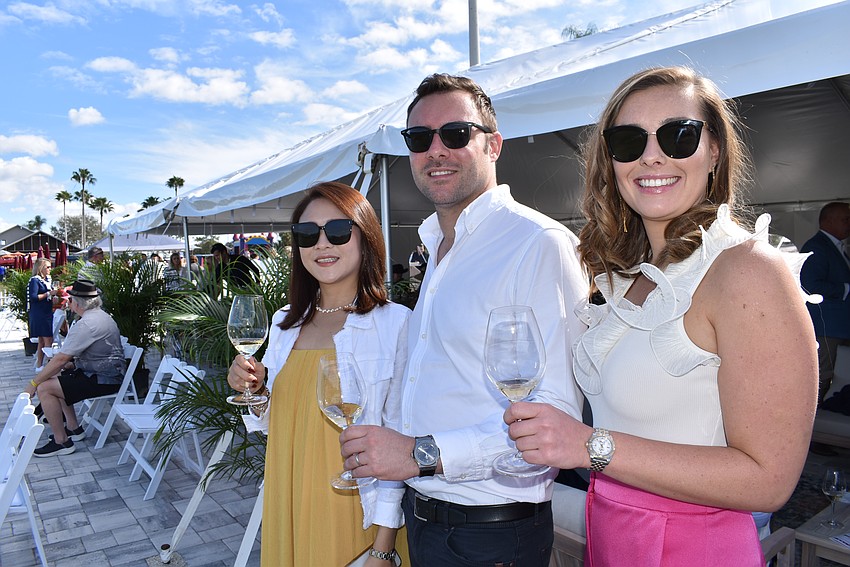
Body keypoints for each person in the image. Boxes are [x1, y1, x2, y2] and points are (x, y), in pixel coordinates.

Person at [503, 66, 818, 566]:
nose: (652, 155)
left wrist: (590, 445)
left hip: (693, 549)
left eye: (678, 135)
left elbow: (769, 479)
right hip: (614, 536)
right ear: (611, 161)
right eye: (628, 140)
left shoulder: (746, 270)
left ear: (714, 150)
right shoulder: (636, 277)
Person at [339, 73, 587, 566]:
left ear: (493, 145)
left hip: (491, 536)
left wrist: (421, 453)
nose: (436, 150)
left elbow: (555, 417)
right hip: (426, 519)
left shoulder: (538, 243)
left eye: (455, 134)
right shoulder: (438, 248)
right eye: (419, 138)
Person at [226, 182, 410, 566]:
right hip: (289, 498)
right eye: (308, 235)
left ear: (366, 236)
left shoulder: (396, 324)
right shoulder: (281, 324)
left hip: (358, 513)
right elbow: (274, 423)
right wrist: (254, 389)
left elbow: (401, 436)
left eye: (338, 231)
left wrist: (383, 546)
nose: (322, 244)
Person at [25, 279, 126, 457]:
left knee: (45, 388)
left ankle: (61, 442)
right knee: (58, 378)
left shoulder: (86, 323)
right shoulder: (101, 316)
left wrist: (33, 383)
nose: (67, 303)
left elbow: (61, 358)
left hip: (104, 379)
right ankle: (73, 427)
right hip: (108, 374)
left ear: (77, 303)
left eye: (69, 300)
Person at [801, 202, 850, 403]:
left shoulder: (836, 247)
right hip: (827, 326)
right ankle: (813, 420)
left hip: (838, 326)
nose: (849, 224)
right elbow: (810, 284)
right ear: (829, 221)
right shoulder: (817, 246)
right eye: (846, 219)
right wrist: (845, 288)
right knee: (823, 376)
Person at [28, 257, 58, 371]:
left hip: (45, 311)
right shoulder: (35, 280)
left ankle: (39, 365)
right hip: (40, 313)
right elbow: (34, 297)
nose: (50, 269)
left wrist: (52, 297)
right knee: (48, 339)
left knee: (42, 340)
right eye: (48, 267)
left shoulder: (46, 280)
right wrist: (48, 294)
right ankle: (50, 367)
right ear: (41, 268)